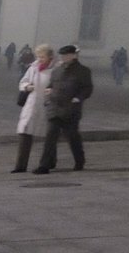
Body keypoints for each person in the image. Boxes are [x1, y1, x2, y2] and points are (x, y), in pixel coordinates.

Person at [33, 44, 93, 173]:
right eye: (62, 55)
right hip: (54, 108)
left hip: (71, 109)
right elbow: (51, 85)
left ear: (73, 55)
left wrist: (78, 98)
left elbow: (87, 88)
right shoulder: (57, 70)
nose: (64, 57)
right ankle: (44, 165)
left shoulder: (83, 71)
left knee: (72, 137)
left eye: (66, 55)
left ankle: (79, 160)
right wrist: (48, 97)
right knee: (50, 137)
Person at [11, 45, 55, 173]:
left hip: (46, 106)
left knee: (48, 136)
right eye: (38, 56)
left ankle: (49, 162)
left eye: (42, 56)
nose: (40, 59)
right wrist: (26, 86)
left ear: (49, 57)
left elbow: (59, 85)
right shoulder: (33, 67)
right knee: (24, 133)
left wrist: (52, 91)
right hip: (31, 105)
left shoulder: (55, 70)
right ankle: (20, 165)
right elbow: (23, 81)